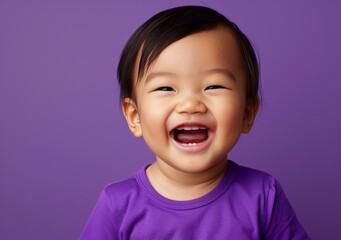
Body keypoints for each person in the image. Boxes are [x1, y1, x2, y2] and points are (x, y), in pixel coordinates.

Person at [80, 5, 310, 240]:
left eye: (213, 86)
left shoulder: (263, 195)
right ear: (135, 116)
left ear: (247, 113)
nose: (190, 104)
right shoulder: (117, 205)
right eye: (165, 88)